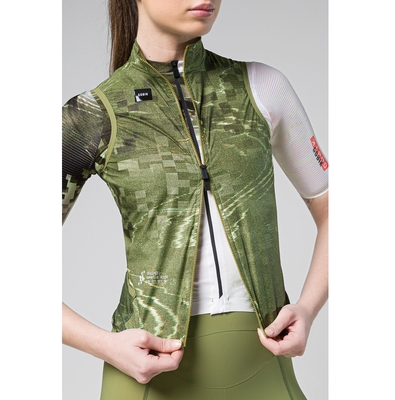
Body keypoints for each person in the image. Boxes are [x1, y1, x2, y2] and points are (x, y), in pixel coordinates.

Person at [62, 0, 328, 398]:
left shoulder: (262, 87)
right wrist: (105, 345)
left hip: (263, 366)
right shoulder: (94, 115)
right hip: (147, 380)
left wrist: (307, 308)